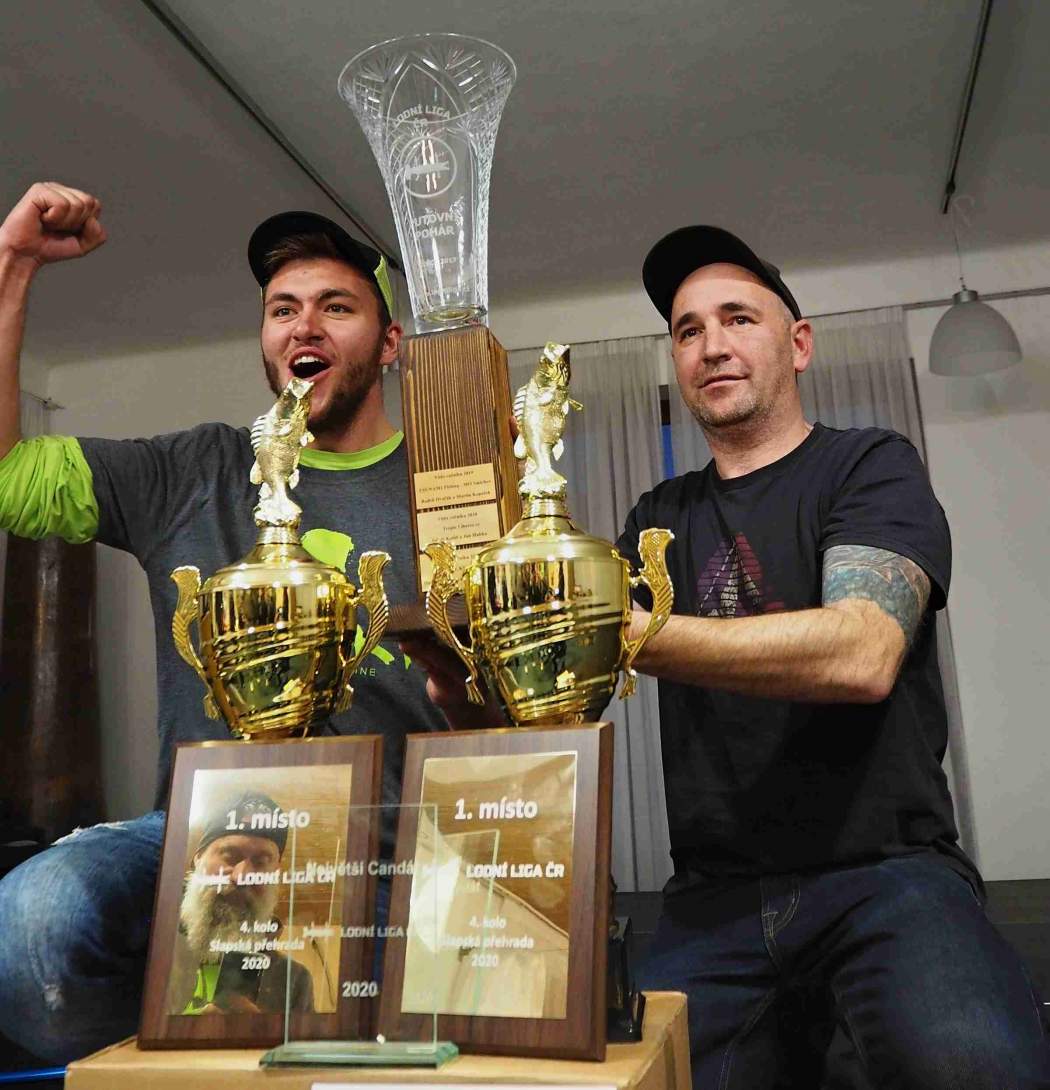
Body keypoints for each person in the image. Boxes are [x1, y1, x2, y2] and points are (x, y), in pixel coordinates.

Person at [0, 182, 445, 1062]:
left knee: (405, 985)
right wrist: (11, 265)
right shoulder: (191, 471)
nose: (303, 326)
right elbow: (8, 479)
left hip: (383, 841)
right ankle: (192, 1040)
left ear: (390, 342)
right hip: (198, 837)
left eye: (336, 307)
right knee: (32, 924)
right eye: (283, 309)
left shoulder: (445, 488)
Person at [610, 225, 1048, 1088]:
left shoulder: (870, 466)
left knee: (978, 1068)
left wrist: (631, 636)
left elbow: (863, 652)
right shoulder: (659, 515)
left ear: (799, 343)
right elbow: (578, 678)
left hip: (887, 876)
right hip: (711, 899)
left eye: (739, 318)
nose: (712, 345)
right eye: (689, 330)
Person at [167, 792, 313, 1016]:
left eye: (261, 862)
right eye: (229, 856)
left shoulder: (294, 980)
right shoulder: (153, 946)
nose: (242, 876)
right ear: (198, 858)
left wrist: (259, 1031)